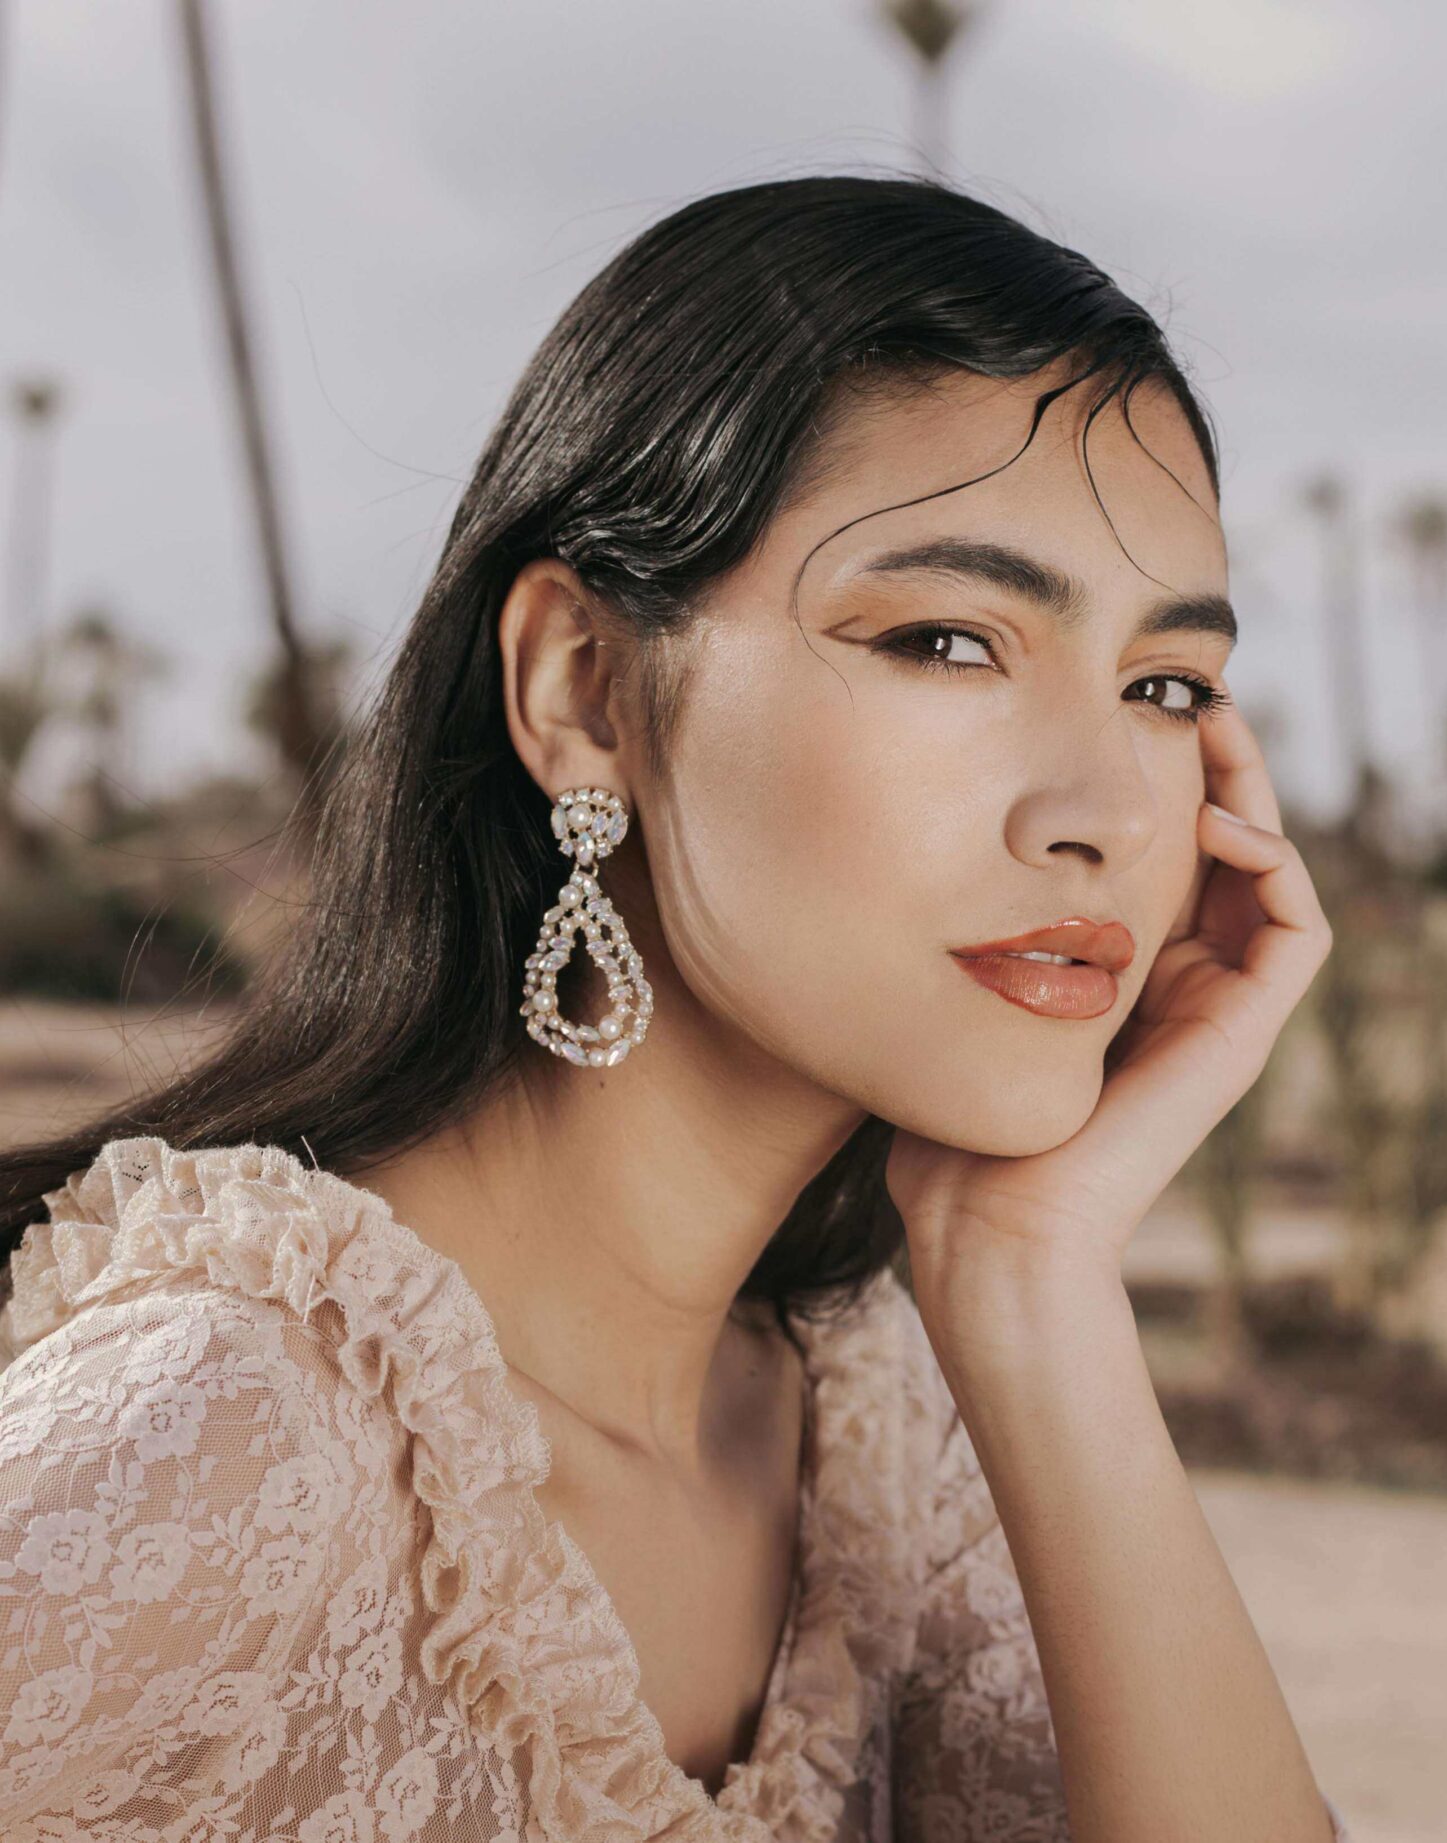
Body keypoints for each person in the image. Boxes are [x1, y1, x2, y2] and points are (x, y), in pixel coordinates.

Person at [0, 174, 1352, 1841]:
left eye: (1167, 688)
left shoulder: (870, 1457)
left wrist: (1031, 1282)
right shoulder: (227, 1429)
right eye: (946, 640)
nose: (1107, 813)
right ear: (581, 689)